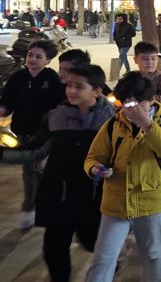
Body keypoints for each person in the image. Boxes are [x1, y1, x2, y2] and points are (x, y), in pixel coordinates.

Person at [0, 64, 112, 281]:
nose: (71, 90)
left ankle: (112, 266)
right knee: (54, 248)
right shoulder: (55, 117)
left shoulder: (113, 121)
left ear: (97, 91)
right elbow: (35, 150)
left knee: (95, 242)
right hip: (57, 193)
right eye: (69, 85)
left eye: (79, 86)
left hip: (95, 196)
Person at [84, 72, 161, 282]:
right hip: (116, 203)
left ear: (151, 100)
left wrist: (146, 122)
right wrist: (95, 168)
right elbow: (93, 157)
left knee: (154, 256)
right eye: (124, 104)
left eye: (136, 105)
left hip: (150, 202)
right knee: (103, 259)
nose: (130, 111)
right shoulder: (113, 125)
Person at [0, 40, 65, 229]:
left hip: (46, 134)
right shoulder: (17, 77)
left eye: (38, 56)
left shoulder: (52, 79)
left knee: (34, 170)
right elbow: (7, 104)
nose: (33, 59)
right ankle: (35, 207)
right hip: (22, 132)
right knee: (32, 170)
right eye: (30, 55)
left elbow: (60, 105)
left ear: (48, 60)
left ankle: (33, 207)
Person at [133, 41, 161, 107]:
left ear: (158, 59)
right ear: (135, 60)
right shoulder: (131, 78)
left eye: (153, 58)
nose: (150, 62)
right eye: (145, 59)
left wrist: (140, 97)